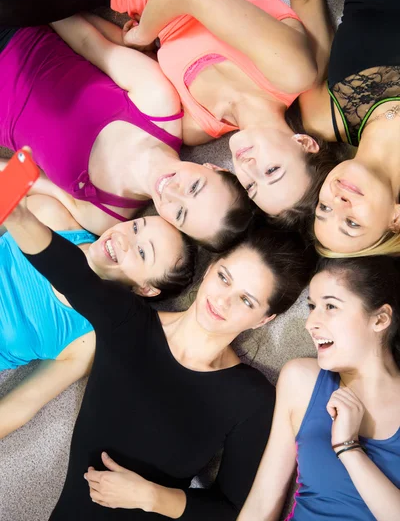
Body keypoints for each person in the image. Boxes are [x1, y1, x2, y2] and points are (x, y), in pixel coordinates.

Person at [0, 0, 346, 218]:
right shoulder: (291, 72)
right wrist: (144, 33)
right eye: (272, 171)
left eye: (251, 186)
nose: (249, 168)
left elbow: (124, 55)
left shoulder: (198, 126)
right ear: (304, 143)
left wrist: (45, 11)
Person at [3, 201, 315, 519]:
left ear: (263, 319)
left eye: (246, 300)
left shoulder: (252, 399)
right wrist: (18, 215)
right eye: (224, 278)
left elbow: (232, 509)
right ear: (210, 270)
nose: (223, 300)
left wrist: (151, 497)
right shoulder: (129, 322)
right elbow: (71, 273)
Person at [0, 15, 251, 248]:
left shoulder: (104, 217)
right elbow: (88, 42)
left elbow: (27, 179)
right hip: (14, 38)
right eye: (195, 187)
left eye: (180, 214)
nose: (173, 192)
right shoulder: (158, 103)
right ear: (214, 168)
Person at [0, 174, 196, 438]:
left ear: (145, 288)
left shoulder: (88, 337)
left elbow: (23, 403)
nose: (124, 239)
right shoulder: (51, 214)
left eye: (141, 252)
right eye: (137, 227)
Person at [238, 255, 400, 521]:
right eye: (312, 306)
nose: (310, 322)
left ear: (380, 319)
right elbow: (263, 500)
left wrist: (348, 448)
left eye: (331, 306)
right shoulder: (301, 380)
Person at [288, 0, 400, 256]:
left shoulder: (323, 113)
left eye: (324, 209)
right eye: (352, 224)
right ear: (395, 220)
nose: (338, 202)